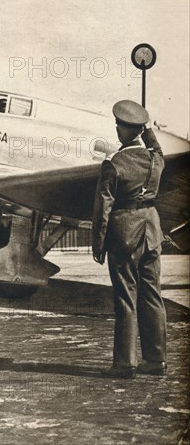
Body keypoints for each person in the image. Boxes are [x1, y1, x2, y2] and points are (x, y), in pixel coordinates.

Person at [92, 100, 167, 379]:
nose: (116, 129)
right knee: (152, 295)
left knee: (126, 297)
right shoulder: (155, 160)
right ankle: (156, 360)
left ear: (124, 130)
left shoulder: (113, 165)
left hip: (124, 233)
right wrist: (146, 129)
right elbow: (157, 148)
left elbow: (103, 210)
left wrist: (99, 245)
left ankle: (124, 364)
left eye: (119, 126)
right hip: (151, 232)